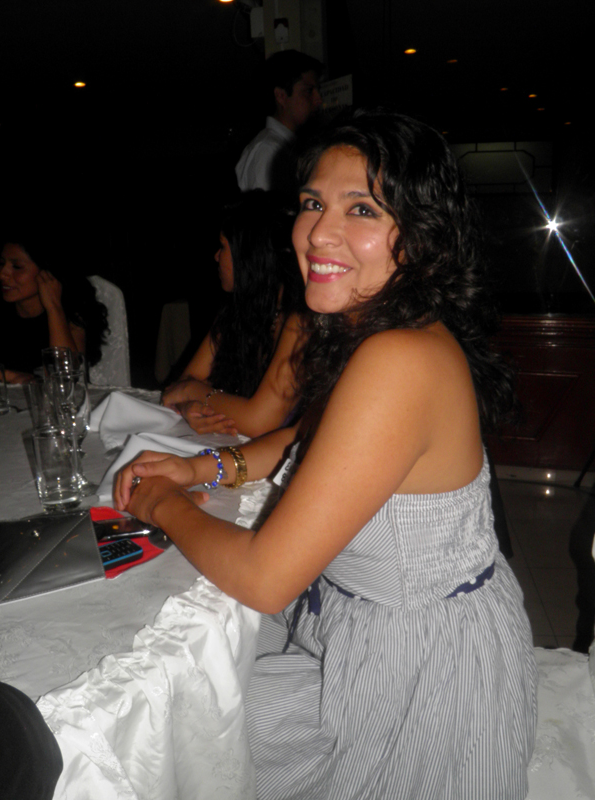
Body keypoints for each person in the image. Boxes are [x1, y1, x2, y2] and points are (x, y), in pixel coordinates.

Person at [115, 109, 537, 799]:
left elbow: (265, 578)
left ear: (423, 236)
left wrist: (162, 503)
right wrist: (202, 467)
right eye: (312, 203)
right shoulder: (374, 327)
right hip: (361, 630)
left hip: (419, 674)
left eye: (361, 209)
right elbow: (310, 436)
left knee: (188, 728)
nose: (318, 232)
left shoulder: (399, 358)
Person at [162, 191, 306, 438]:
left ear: (249, 256)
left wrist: (193, 393)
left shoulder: (301, 320)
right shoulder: (240, 310)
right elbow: (182, 382)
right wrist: (189, 407)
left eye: (223, 246)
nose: (216, 256)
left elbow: (259, 421)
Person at [0, 234, 108, 383]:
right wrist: (9, 376)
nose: (2, 274)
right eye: (1, 263)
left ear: (47, 271)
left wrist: (54, 308)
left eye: (17, 267)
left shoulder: (72, 312)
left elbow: (67, 375)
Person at [235, 50, 323, 195]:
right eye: (308, 91)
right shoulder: (268, 150)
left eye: (318, 90)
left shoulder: (288, 148)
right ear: (281, 96)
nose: (318, 99)